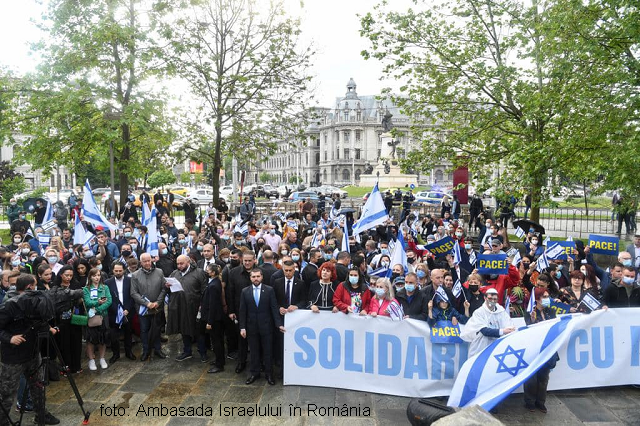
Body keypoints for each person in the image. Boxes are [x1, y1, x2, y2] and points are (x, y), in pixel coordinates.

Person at [0, 274, 61, 425]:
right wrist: (9, 338)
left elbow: (37, 321)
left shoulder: (34, 302)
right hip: (13, 358)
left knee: (38, 386)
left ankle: (41, 415)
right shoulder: (10, 305)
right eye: (35, 285)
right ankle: (3, 421)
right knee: (7, 393)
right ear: (29, 287)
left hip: (33, 353)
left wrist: (49, 328)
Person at [239, 269, 284, 385]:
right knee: (254, 351)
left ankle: (269, 374)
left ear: (262, 277)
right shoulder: (245, 291)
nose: (256, 279)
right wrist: (242, 327)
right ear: (250, 278)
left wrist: (278, 324)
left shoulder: (269, 290)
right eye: (253, 277)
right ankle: (254, 373)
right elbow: (242, 311)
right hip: (251, 327)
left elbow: (274, 308)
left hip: (266, 326)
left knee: (268, 351)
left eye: (258, 276)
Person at [523, 287, 559, 413]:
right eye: (544, 296)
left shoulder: (551, 311)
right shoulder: (529, 312)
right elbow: (529, 328)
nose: (547, 299)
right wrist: (533, 320)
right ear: (537, 299)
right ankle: (530, 402)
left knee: (544, 378)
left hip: (548, 349)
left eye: (548, 296)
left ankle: (540, 402)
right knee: (532, 378)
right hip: (534, 349)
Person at [169, 255, 209, 362]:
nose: (179, 266)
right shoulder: (175, 273)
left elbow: (204, 290)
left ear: (188, 262)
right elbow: (169, 288)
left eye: (181, 263)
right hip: (180, 307)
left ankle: (203, 352)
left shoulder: (199, 273)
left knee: (198, 331)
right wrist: (167, 285)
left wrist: (202, 304)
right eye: (177, 263)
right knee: (184, 330)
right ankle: (187, 351)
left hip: (195, 307)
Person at [130, 253, 168, 361]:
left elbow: (164, 289)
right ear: (140, 262)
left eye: (149, 260)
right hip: (144, 309)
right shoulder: (135, 275)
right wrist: (147, 304)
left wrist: (158, 302)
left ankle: (157, 349)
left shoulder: (159, 272)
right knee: (144, 330)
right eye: (144, 261)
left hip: (157, 308)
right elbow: (133, 293)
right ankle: (146, 350)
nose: (147, 263)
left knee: (156, 330)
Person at [460, 288, 515, 357]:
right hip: (480, 347)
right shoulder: (479, 312)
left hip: (496, 347)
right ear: (485, 298)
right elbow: (484, 331)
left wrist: (508, 330)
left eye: (495, 299)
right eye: (490, 298)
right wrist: (502, 331)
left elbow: (509, 326)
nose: (492, 301)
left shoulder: (501, 311)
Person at [105, 262, 136, 364]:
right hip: (114, 313)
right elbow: (107, 298)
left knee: (128, 333)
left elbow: (132, 296)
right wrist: (117, 310)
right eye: (116, 271)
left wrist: (127, 309)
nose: (118, 273)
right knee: (114, 335)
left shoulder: (130, 280)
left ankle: (129, 352)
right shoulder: (108, 282)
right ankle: (115, 354)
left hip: (127, 312)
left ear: (124, 270)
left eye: (120, 271)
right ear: (113, 271)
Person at [83, 268, 112, 371]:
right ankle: (91, 360)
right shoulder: (86, 289)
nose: (97, 277)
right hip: (91, 317)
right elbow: (87, 302)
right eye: (94, 275)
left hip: (103, 316)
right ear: (90, 277)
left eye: (98, 275)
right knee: (90, 339)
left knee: (103, 339)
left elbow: (109, 301)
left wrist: (98, 309)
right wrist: (97, 303)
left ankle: (102, 358)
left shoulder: (105, 287)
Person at [203, 264, 225, 374]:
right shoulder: (215, 282)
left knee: (216, 341)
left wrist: (209, 322)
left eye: (208, 270)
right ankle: (219, 360)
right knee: (218, 340)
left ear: (213, 273)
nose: (206, 272)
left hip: (215, 319)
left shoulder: (213, 286)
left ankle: (219, 364)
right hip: (217, 317)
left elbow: (213, 305)